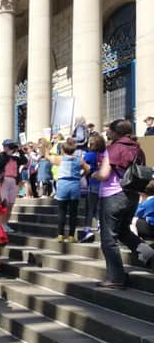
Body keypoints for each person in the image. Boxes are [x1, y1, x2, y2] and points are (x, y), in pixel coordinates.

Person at [92, 119, 154, 288]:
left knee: (108, 238)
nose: (107, 133)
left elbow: (105, 174)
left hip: (112, 196)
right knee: (123, 232)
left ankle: (116, 278)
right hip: (132, 196)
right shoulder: (138, 149)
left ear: (115, 132)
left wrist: (95, 174)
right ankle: (149, 255)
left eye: (109, 130)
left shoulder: (113, 148)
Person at [46, 138, 90, 243]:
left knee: (62, 211)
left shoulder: (59, 159)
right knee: (73, 212)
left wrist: (47, 147)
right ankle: (71, 236)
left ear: (63, 149)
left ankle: (60, 235)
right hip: (75, 185)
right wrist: (81, 175)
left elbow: (47, 156)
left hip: (62, 185)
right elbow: (88, 169)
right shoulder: (79, 159)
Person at [0, 139, 27, 231]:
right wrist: (6, 153)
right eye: (9, 146)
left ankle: (5, 223)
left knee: (11, 204)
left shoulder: (15, 158)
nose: (10, 148)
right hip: (3, 181)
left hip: (14, 181)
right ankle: (0, 223)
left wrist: (20, 150)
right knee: (4, 204)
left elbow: (24, 161)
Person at [81, 134, 105, 242]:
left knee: (90, 208)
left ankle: (88, 231)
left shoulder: (89, 155)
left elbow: (83, 167)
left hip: (93, 182)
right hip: (104, 183)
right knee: (100, 207)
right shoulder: (105, 154)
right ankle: (100, 226)